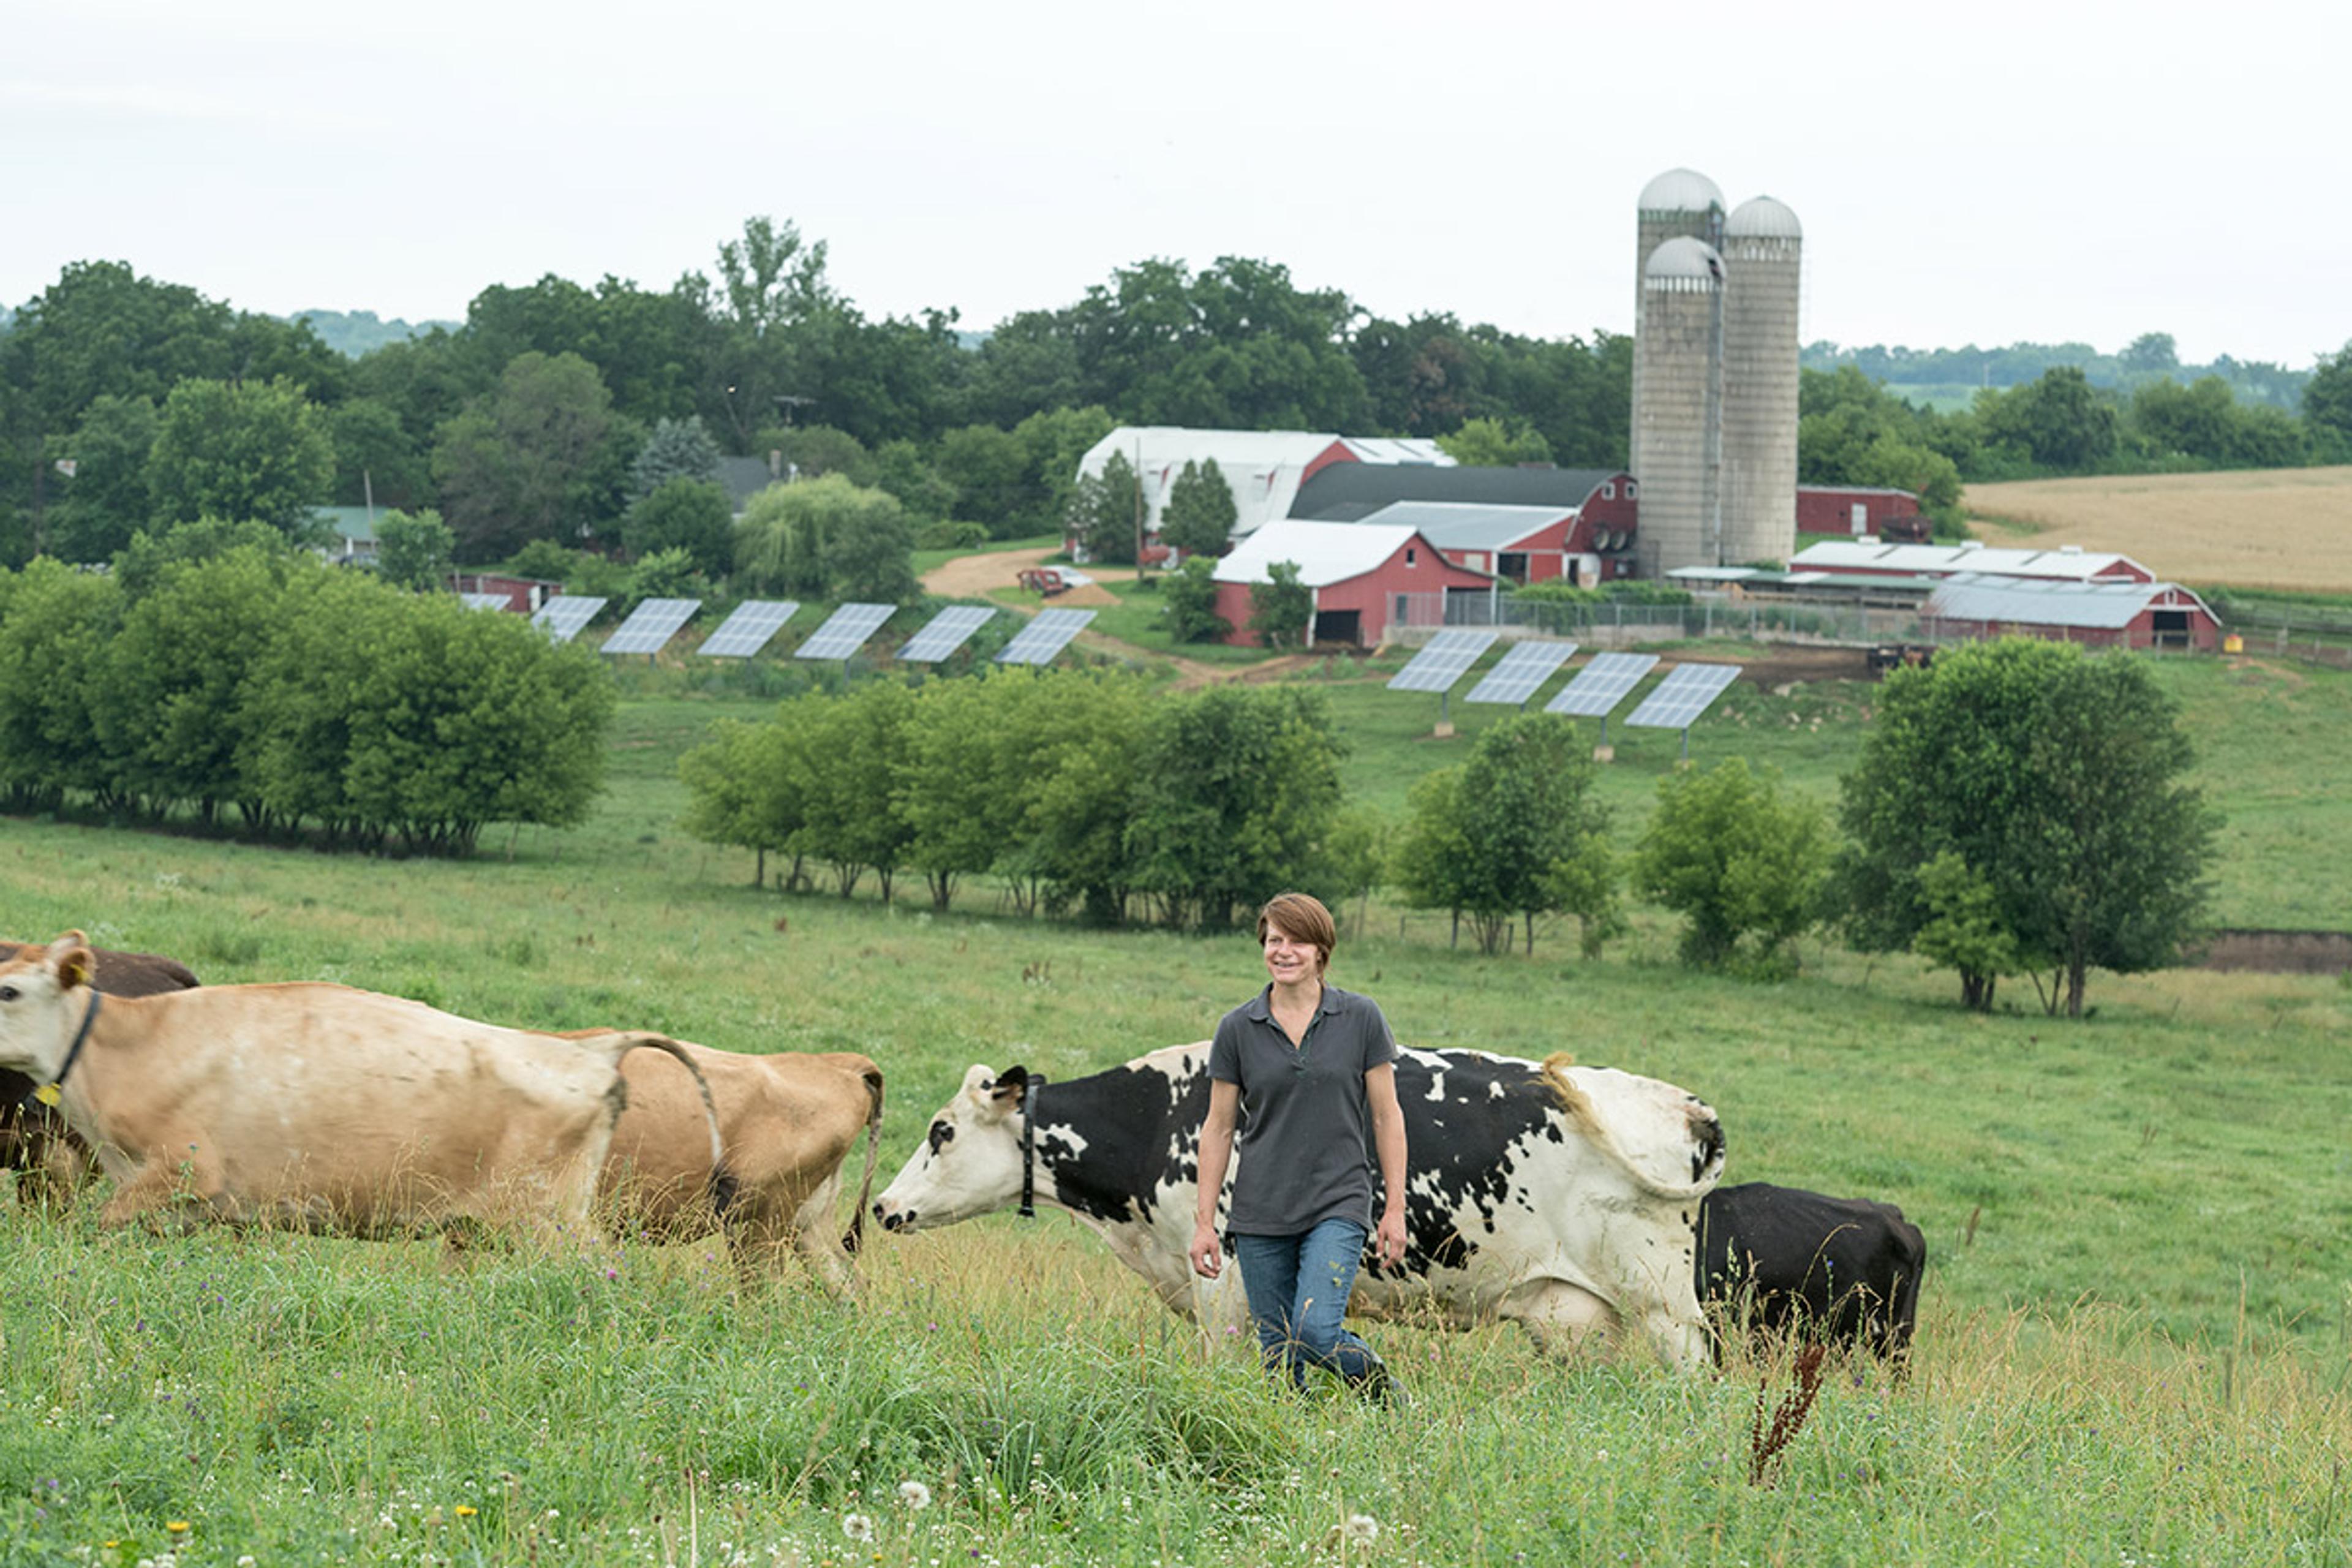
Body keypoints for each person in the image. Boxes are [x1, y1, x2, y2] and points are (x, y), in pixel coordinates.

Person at [1189, 891, 1408, 1400]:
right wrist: (1205, 1224)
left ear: (1322, 951)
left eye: (1298, 942)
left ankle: (1380, 1389)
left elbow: (1386, 1115)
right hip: (1260, 1210)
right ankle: (1293, 1457)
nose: (1283, 951)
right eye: (1274, 940)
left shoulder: (1361, 1018)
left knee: (1313, 1332)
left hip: (1339, 1201)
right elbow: (1218, 1128)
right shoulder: (1238, 1028)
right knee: (1278, 1353)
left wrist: (1393, 1207)